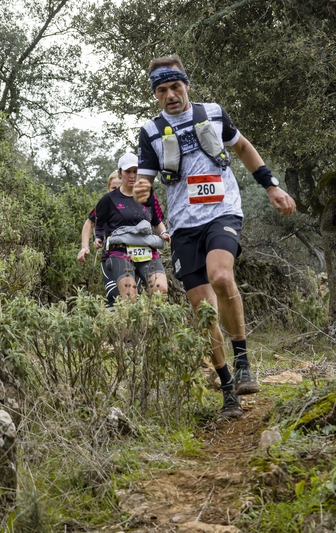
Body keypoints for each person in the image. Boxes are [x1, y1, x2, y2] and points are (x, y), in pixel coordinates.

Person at [133, 55, 296, 419]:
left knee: (222, 276)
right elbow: (143, 182)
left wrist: (271, 186)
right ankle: (227, 391)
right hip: (183, 224)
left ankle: (243, 363)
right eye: (162, 90)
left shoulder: (213, 113)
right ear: (156, 94)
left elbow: (242, 147)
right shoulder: (150, 132)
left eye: (176, 87)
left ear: (186, 85)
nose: (171, 95)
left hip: (223, 210)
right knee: (204, 310)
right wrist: (141, 190)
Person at [78, 153, 170, 306]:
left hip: (146, 251)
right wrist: (86, 246)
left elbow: (157, 222)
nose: (132, 176)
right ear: (120, 173)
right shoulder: (109, 199)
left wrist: (164, 233)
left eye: (136, 171)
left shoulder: (149, 197)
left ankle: (150, 326)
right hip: (120, 252)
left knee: (161, 290)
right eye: (128, 172)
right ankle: (128, 329)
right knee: (129, 296)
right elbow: (92, 222)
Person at [79, 170, 122, 254]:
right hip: (113, 251)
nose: (117, 191)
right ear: (108, 188)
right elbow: (96, 223)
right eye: (113, 188)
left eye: (120, 187)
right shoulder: (106, 202)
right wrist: (97, 238)